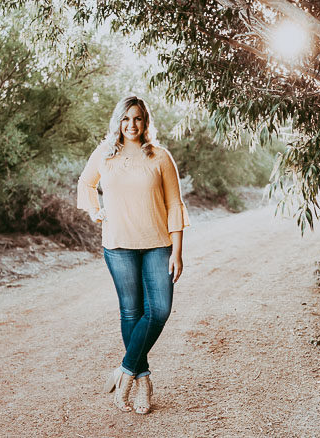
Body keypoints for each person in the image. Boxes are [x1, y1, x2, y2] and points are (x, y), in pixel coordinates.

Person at [76, 95, 190, 415]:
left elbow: (174, 204)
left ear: (145, 121)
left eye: (137, 118)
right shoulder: (105, 153)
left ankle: (126, 371)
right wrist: (95, 212)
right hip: (118, 246)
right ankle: (143, 381)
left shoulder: (160, 156)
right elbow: (86, 183)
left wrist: (177, 251)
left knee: (160, 310)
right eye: (126, 119)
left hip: (157, 244)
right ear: (118, 121)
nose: (131, 125)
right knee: (131, 312)